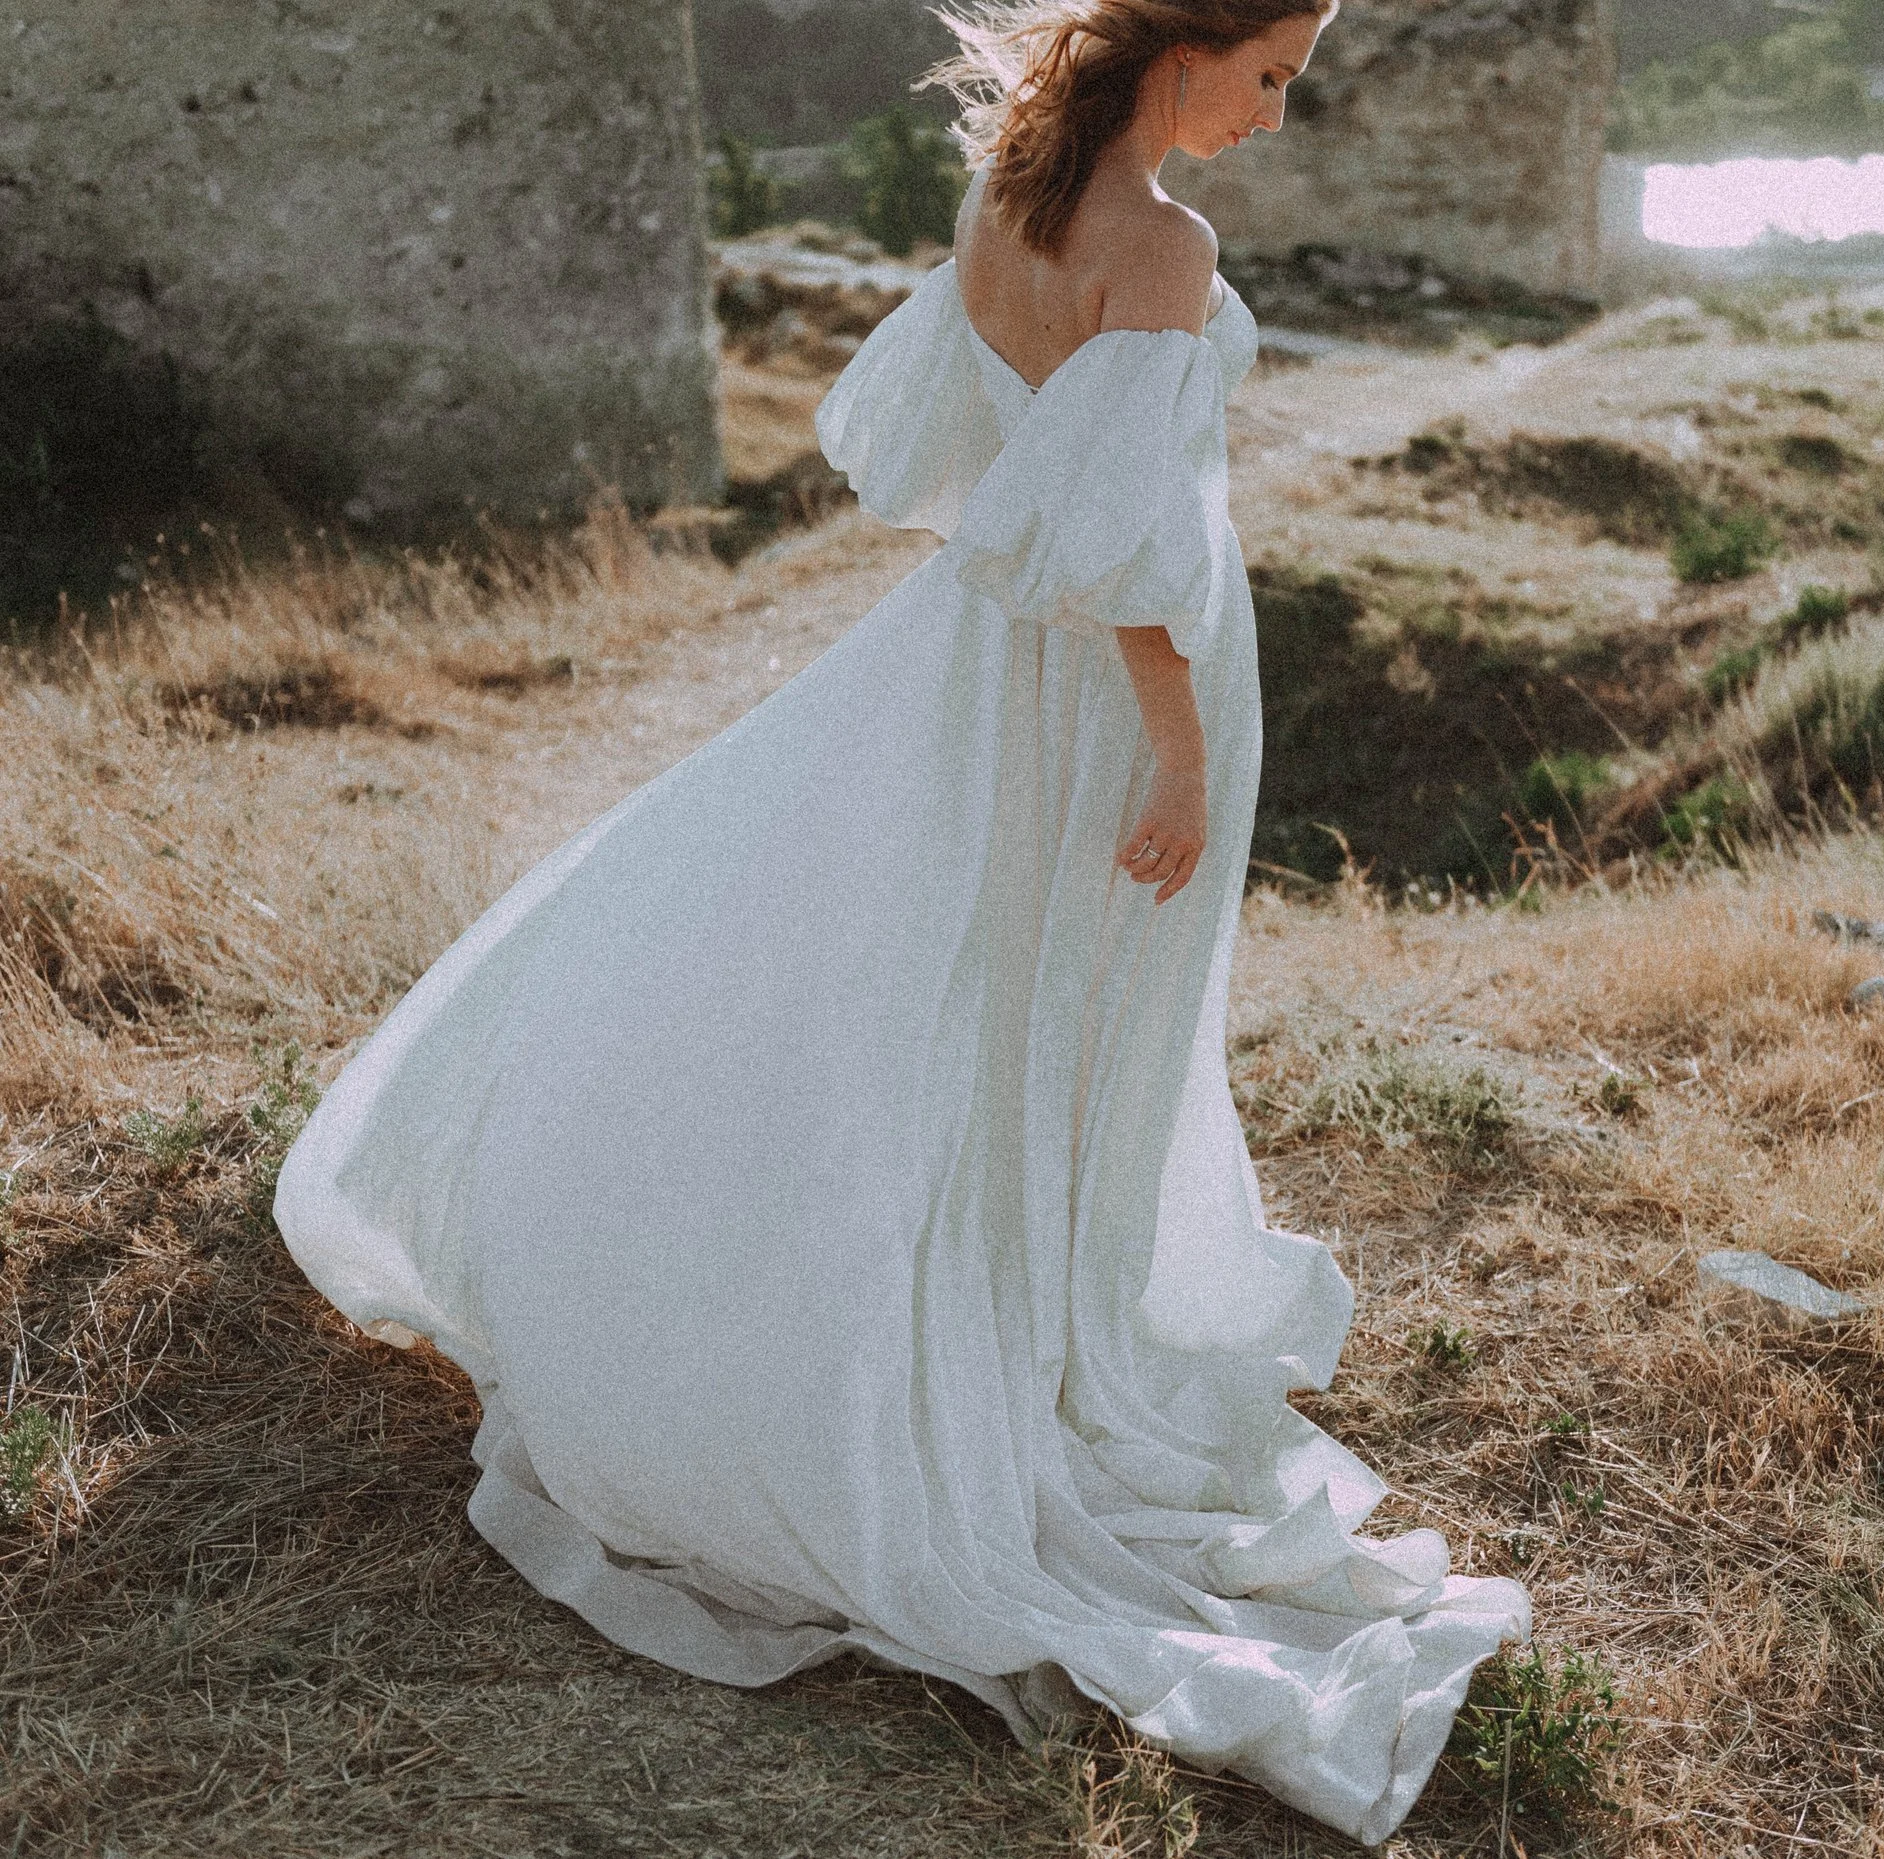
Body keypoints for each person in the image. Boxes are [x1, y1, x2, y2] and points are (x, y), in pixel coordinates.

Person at [273, 0, 1530, 1839]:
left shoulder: (1004, 197)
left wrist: (1056, 625)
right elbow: (1115, 541)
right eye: (1270, 73)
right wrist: (1173, 752)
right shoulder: (1162, 247)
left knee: (969, 1003)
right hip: (1114, 698)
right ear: (1180, 54)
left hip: (976, 661)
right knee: (1057, 1012)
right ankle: (990, 1358)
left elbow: (962, 462)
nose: (1283, 112)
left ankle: (983, 1308)